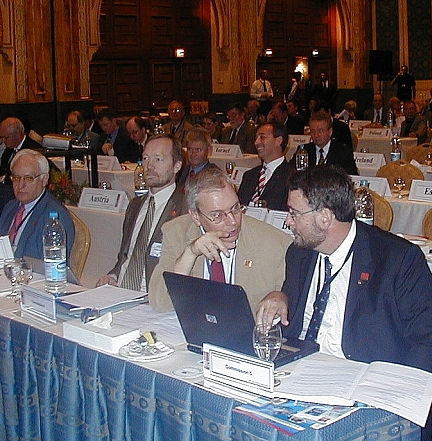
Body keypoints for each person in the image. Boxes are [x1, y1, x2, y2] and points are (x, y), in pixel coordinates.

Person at [256, 165, 432, 440]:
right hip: (300, 378)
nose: (287, 221)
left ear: (325, 217)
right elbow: (295, 312)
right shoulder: (300, 253)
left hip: (366, 389)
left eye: (294, 213)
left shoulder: (396, 259)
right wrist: (281, 296)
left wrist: (387, 392)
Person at [149, 166, 292, 313]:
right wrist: (190, 254)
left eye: (235, 208)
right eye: (218, 215)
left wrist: (280, 298)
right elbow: (159, 303)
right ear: (195, 216)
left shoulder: (275, 243)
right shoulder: (176, 232)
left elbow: (288, 301)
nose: (232, 221)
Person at [96, 134, 187, 291]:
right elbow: (125, 256)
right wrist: (113, 276)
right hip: (120, 290)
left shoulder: (186, 209)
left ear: (177, 166)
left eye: (158, 159)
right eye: (145, 158)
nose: (149, 166)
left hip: (155, 294)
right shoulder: (135, 205)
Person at [0, 149, 78, 284]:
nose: (20, 185)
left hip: (33, 284)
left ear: (44, 179)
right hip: (4, 278)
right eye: (16, 178)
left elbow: (50, 269)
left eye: (28, 178)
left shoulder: (55, 216)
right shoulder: (10, 208)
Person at [238, 121, 294, 211]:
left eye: (262, 137)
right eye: (256, 138)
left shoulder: (292, 178)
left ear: (278, 141)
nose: (256, 142)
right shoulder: (249, 176)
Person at [0, 116, 42, 184]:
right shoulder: (8, 151)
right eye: (1, 137)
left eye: (6, 138)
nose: (3, 141)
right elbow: (2, 173)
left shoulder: (32, 150)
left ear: (17, 134)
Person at [176, 128, 217, 192]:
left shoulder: (214, 175)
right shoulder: (180, 172)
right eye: (190, 149)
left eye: (198, 150)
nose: (193, 154)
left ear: (209, 150)